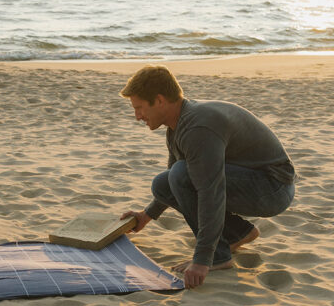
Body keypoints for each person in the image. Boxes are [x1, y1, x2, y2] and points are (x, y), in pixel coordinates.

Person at [119, 65, 295, 289]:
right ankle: (238, 233)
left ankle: (219, 257)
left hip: (273, 188)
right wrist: (146, 215)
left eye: (139, 108)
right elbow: (173, 183)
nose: (137, 117)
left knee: (181, 174)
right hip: (253, 180)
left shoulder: (198, 127)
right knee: (164, 183)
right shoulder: (178, 125)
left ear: (160, 100)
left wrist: (203, 259)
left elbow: (211, 192)